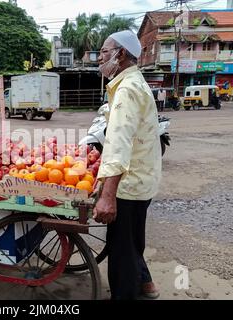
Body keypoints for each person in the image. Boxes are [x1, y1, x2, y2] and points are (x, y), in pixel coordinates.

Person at [93, 30, 162, 300]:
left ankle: (128, 293)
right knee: (133, 242)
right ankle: (146, 285)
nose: (99, 59)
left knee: (121, 253)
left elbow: (119, 143)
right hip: (142, 180)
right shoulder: (134, 83)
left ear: (120, 54)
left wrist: (107, 195)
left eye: (103, 53)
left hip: (129, 186)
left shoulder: (127, 90)